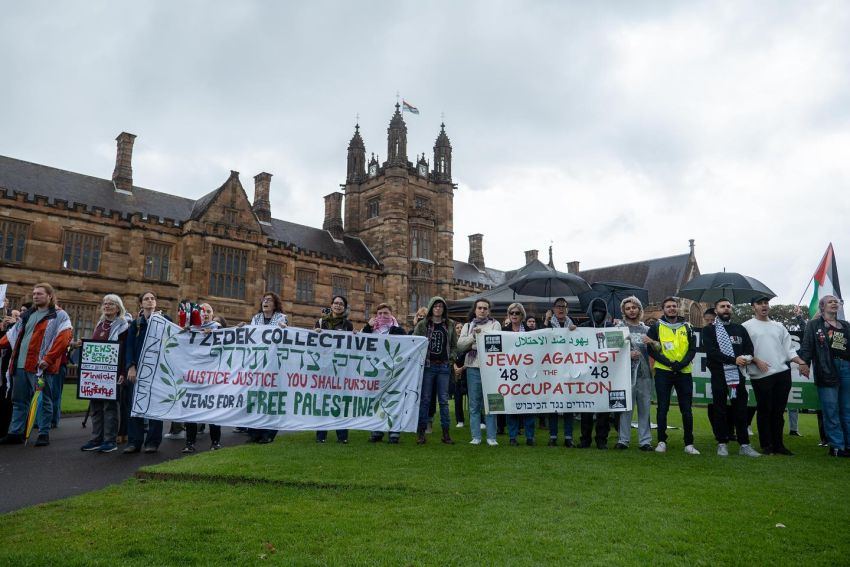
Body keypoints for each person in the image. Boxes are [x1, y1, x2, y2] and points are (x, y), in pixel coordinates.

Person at [0, 284, 73, 447]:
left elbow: (64, 338)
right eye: (33, 293)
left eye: (39, 294)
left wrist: (48, 359)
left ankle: (43, 433)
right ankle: (16, 432)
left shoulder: (59, 315)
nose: (35, 296)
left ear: (49, 296)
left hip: (41, 367)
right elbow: (12, 336)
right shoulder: (29, 314)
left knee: (44, 400)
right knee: (19, 400)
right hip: (20, 365)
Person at [743, 296, 808, 455]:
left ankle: (779, 445)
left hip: (782, 373)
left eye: (766, 303)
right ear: (754, 307)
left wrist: (801, 363)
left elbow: (790, 350)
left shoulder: (779, 326)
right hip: (761, 375)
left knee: (778, 412)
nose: (764, 306)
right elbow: (742, 351)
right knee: (765, 410)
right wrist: (755, 361)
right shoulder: (746, 326)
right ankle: (767, 445)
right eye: (760, 303)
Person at [702, 298, 761, 458]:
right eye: (722, 306)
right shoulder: (709, 331)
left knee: (741, 410)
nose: (726, 309)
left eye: (728, 306)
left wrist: (746, 358)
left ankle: (745, 444)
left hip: (738, 375)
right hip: (719, 375)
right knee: (719, 410)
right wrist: (733, 359)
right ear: (716, 310)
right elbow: (712, 352)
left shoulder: (740, 329)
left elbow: (749, 349)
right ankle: (722, 443)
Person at [644, 297, 699, 455]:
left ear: (678, 308)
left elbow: (692, 349)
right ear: (663, 309)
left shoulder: (688, 327)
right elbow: (651, 350)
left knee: (686, 409)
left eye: (674, 306)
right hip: (663, 372)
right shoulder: (656, 326)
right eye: (668, 306)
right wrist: (669, 363)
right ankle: (661, 441)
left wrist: (681, 364)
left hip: (684, 372)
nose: (672, 308)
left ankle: (689, 444)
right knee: (662, 408)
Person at [797, 295, 850, 457]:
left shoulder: (846, 325)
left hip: (846, 367)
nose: (834, 304)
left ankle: (848, 445)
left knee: (847, 409)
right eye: (830, 302)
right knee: (831, 409)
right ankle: (837, 446)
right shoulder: (814, 325)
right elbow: (806, 346)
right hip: (826, 367)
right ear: (822, 306)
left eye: (836, 302)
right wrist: (803, 363)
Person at [79, 294, 130, 453]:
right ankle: (96, 438)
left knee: (110, 408)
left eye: (111, 304)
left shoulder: (123, 325)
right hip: (95, 373)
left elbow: (124, 350)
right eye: (105, 303)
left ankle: (110, 440)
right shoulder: (100, 324)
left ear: (118, 308)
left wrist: (123, 371)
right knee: (95, 407)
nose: (107, 306)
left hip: (113, 373)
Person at [123, 291, 172, 454]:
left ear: (156, 303)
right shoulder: (136, 324)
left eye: (152, 299)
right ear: (141, 304)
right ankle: (134, 441)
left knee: (155, 406)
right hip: (138, 371)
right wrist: (130, 366)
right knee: (134, 405)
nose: (150, 301)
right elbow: (129, 347)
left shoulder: (166, 321)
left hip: (158, 371)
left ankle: (152, 442)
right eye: (146, 299)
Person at [413, 297, 458, 445]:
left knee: (444, 401)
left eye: (441, 306)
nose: (438, 309)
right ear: (431, 308)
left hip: (444, 366)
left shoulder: (449, 324)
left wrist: (450, 359)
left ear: (444, 309)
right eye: (436, 306)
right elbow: (414, 342)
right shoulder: (423, 324)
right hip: (428, 366)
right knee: (425, 400)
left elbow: (453, 346)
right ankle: (421, 432)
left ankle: (446, 434)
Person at [457, 299, 501, 446]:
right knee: (474, 403)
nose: (482, 310)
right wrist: (474, 337)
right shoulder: (468, 326)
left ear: (488, 310)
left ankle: (491, 437)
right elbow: (460, 345)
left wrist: (480, 339)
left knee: (492, 402)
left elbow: (496, 344)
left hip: (491, 367)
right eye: (479, 308)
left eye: (485, 308)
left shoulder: (495, 324)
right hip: (472, 366)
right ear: (475, 310)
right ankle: (476, 436)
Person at [246, 292, 288, 444]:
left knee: (270, 399)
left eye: (269, 300)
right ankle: (254, 432)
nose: (266, 302)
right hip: (257, 364)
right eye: (264, 299)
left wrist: (285, 329)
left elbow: (285, 339)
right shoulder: (255, 319)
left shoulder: (281, 318)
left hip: (273, 365)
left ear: (275, 304)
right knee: (256, 397)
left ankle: (269, 433)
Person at [183, 303, 224, 453]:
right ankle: (189, 443)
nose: (205, 314)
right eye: (202, 311)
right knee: (191, 409)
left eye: (208, 311)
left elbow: (230, 342)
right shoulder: (190, 329)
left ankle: (215, 442)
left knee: (213, 409)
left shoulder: (218, 328)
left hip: (212, 376)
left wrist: (215, 335)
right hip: (194, 376)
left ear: (212, 314)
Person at [364, 303, 407, 443]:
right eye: (380, 313)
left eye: (386, 313)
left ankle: (394, 432)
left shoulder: (398, 330)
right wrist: (367, 326)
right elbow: (359, 342)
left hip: (393, 372)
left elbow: (407, 347)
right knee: (377, 401)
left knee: (394, 401)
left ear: (391, 314)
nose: (382, 316)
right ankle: (378, 430)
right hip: (376, 372)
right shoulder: (371, 329)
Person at [615, 296, 653, 451]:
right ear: (624, 311)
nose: (631, 311)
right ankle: (623, 440)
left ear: (639, 309)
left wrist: (653, 342)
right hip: (625, 375)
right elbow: (613, 351)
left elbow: (657, 351)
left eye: (634, 307)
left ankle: (645, 441)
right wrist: (627, 355)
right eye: (628, 308)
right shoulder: (619, 329)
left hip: (645, 376)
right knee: (626, 409)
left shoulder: (647, 330)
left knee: (645, 408)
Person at [315, 296, 354, 444]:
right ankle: (321, 435)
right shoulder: (321, 322)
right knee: (323, 401)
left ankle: (342, 436)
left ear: (344, 307)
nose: (338, 306)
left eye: (341, 304)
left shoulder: (348, 325)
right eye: (336, 303)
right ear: (331, 305)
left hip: (340, 368)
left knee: (340, 402)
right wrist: (315, 333)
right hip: (323, 367)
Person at [578, 297, 615, 449]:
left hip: (606, 376)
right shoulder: (584, 327)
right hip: (587, 375)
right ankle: (585, 439)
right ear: (590, 313)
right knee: (586, 409)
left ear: (605, 312)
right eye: (595, 311)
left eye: (601, 311)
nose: (598, 314)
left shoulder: (612, 328)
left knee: (603, 409)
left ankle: (601, 440)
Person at [502, 303, 536, 446]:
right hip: (510, 373)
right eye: (512, 313)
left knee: (529, 404)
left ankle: (530, 436)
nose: (514, 315)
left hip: (527, 373)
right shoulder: (503, 331)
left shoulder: (531, 332)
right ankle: (513, 436)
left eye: (517, 313)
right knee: (511, 404)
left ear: (522, 315)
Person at [547, 297, 577, 447]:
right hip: (551, 369)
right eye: (558, 306)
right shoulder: (546, 324)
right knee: (553, 403)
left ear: (567, 309)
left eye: (563, 307)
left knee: (568, 404)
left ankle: (568, 436)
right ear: (553, 309)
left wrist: (575, 331)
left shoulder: (573, 325)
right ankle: (553, 436)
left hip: (569, 368)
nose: (561, 309)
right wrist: (545, 325)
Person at [451, 321, 467, 429]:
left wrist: (463, 368)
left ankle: (480, 421)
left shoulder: (468, 342)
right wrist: (455, 367)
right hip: (455, 372)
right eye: (457, 327)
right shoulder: (452, 342)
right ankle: (460, 420)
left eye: (461, 327)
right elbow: (450, 356)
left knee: (474, 398)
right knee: (457, 398)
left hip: (467, 370)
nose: (460, 329)